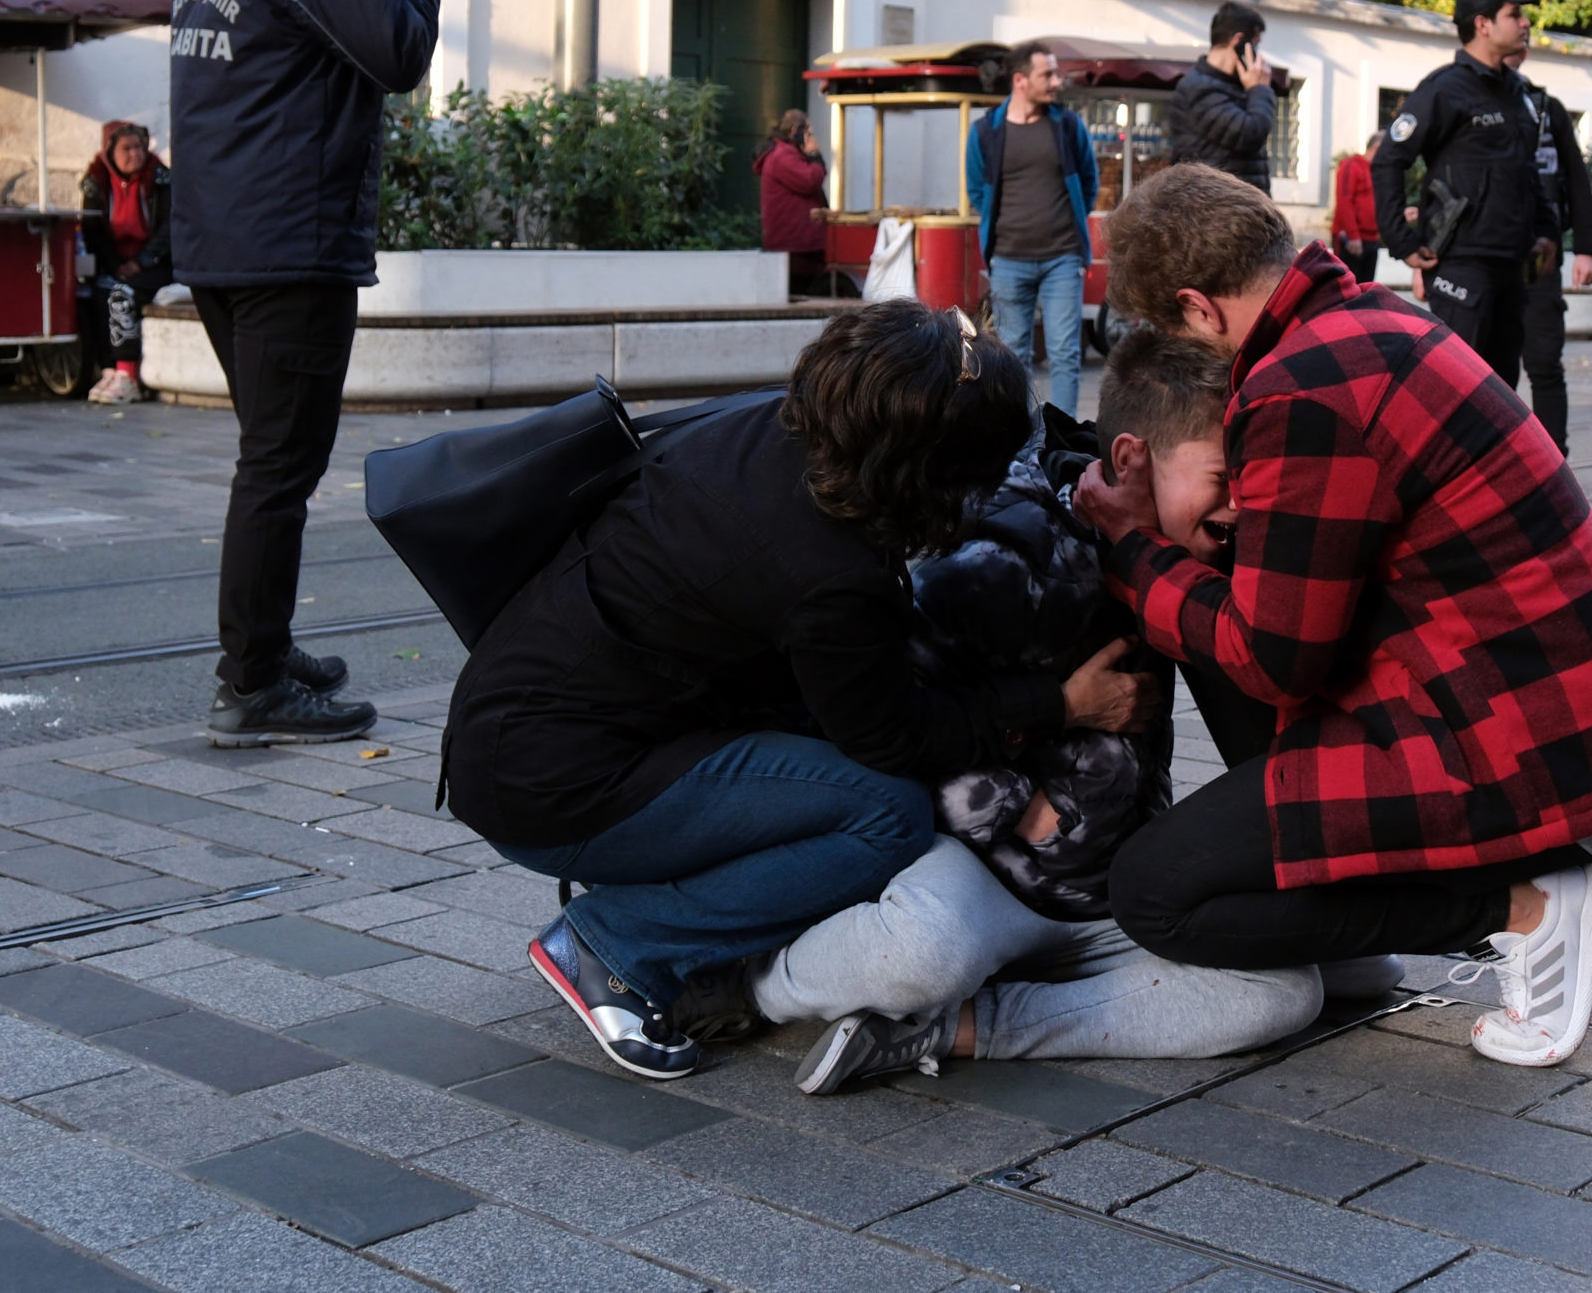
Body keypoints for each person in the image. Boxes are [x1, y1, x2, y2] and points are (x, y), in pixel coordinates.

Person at [441, 302, 1157, 1081]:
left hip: (512, 730)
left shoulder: (773, 430)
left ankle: (679, 910)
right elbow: (893, 737)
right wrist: (1060, 704)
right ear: (929, 472)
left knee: (820, 767)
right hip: (557, 783)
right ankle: (615, 946)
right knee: (885, 813)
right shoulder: (830, 573)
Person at [1076, 165, 1592, 1070]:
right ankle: (1365, 926)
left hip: (1513, 749)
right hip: (1547, 716)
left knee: (1157, 892)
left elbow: (1276, 659)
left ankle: (1523, 908)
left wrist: (1132, 550)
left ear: (1199, 307)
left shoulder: (1299, 386)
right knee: (1213, 601)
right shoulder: (1368, 319)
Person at [762, 328, 1323, 1094]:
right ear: (1129, 460)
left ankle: (962, 1027)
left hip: (1107, 887)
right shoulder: (1007, 555)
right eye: (1226, 476)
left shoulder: (1187, 560)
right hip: (985, 879)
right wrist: (1014, 809)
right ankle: (745, 981)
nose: (1245, 503)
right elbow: (889, 720)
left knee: (1288, 988)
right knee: (925, 950)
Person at [170, 0, 439, 747]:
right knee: (278, 468)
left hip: (219, 243)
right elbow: (401, 54)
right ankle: (250, 687)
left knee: (269, 463)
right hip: (292, 247)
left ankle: (267, 650)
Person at [1373, 0, 1592, 430]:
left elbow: (1527, 171)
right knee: (1457, 394)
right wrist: (1402, 240)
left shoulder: (1518, 94)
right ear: (1482, 24)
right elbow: (1388, 161)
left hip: (1512, 266)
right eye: (1514, 14)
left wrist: (1549, 232)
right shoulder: (1444, 89)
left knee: (1500, 396)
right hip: (1462, 266)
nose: (1526, 22)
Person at [967, 38, 1100, 415]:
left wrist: (1069, 227)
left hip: (1062, 258)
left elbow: (1088, 183)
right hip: (1009, 260)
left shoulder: (1067, 126)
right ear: (1021, 80)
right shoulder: (986, 132)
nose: (1057, 81)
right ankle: (1022, 440)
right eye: (1048, 74)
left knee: (1064, 354)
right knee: (1012, 357)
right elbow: (978, 191)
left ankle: (1066, 438)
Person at [1519, 85, 1592, 453]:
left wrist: (1586, 249)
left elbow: (1577, 179)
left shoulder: (1545, 109)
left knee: (1544, 362)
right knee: (1477, 369)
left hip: (1539, 258)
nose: (1523, 26)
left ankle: (1553, 463)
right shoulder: (1456, 94)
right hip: (1476, 261)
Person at [79, 121, 173, 406]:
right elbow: (92, 228)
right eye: (126, 149)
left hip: (157, 265)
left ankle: (128, 376)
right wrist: (115, 264)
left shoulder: (160, 178)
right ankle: (109, 371)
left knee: (123, 294)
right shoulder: (96, 181)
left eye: (139, 147)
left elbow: (171, 227)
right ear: (110, 152)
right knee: (97, 292)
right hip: (117, 264)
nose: (135, 154)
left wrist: (141, 262)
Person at [1167, 2, 1277, 191]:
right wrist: (1259, 89)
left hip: (1237, 208)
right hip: (1214, 212)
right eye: (1256, 46)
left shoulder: (1235, 86)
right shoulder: (1199, 88)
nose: (1258, 56)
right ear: (1239, 41)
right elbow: (1250, 134)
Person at [757, 109, 846, 297]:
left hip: (800, 243)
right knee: (802, 291)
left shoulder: (784, 154)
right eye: (808, 132)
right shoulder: (783, 155)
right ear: (796, 131)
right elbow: (809, 181)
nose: (812, 137)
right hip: (795, 243)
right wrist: (814, 154)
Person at [1329, 132, 1382, 285]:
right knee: (1347, 287)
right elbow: (1344, 201)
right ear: (1377, 148)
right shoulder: (1351, 165)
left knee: (1366, 288)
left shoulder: (1376, 170)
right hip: (1353, 238)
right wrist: (1353, 236)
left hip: (1371, 238)